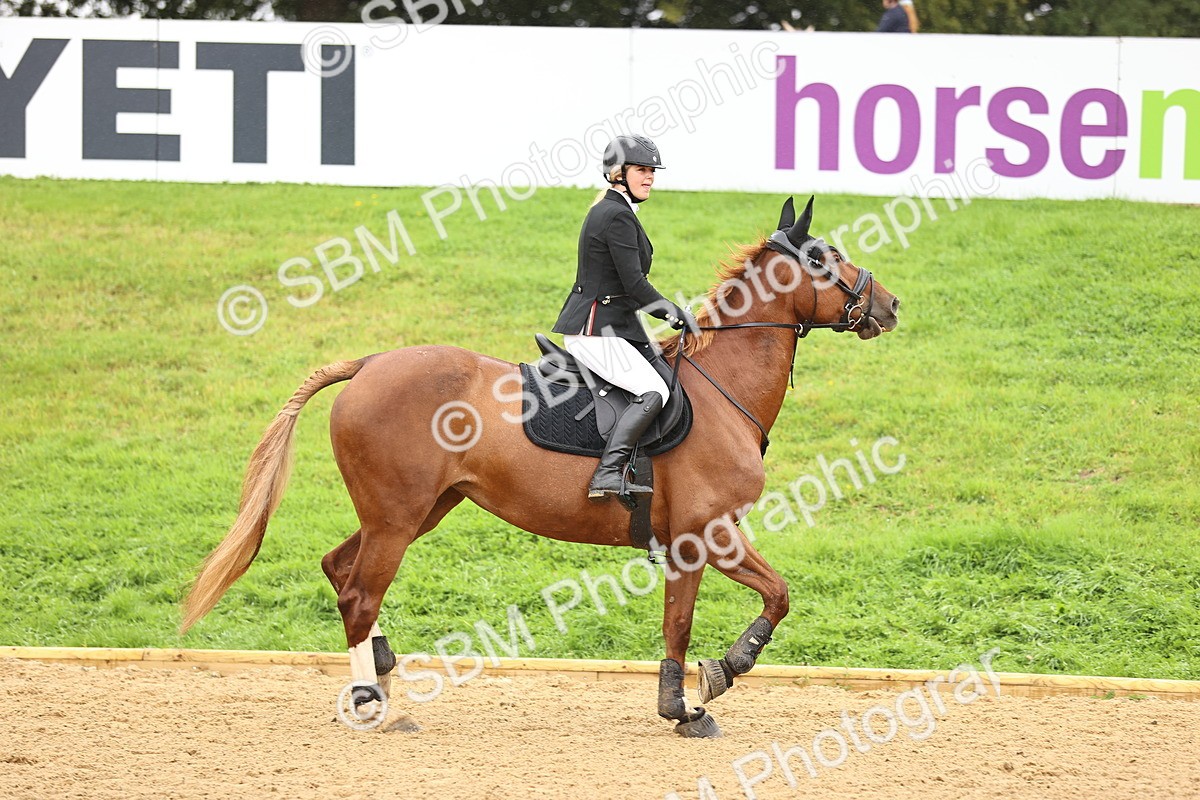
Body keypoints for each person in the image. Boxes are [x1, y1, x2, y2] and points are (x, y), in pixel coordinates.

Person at [551, 134, 693, 500]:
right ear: (618, 173)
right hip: (594, 331)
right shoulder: (615, 215)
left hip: (615, 327)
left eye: (652, 171)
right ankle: (608, 473)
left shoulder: (616, 210)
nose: (650, 177)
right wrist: (674, 314)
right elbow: (635, 285)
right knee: (653, 390)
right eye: (642, 170)